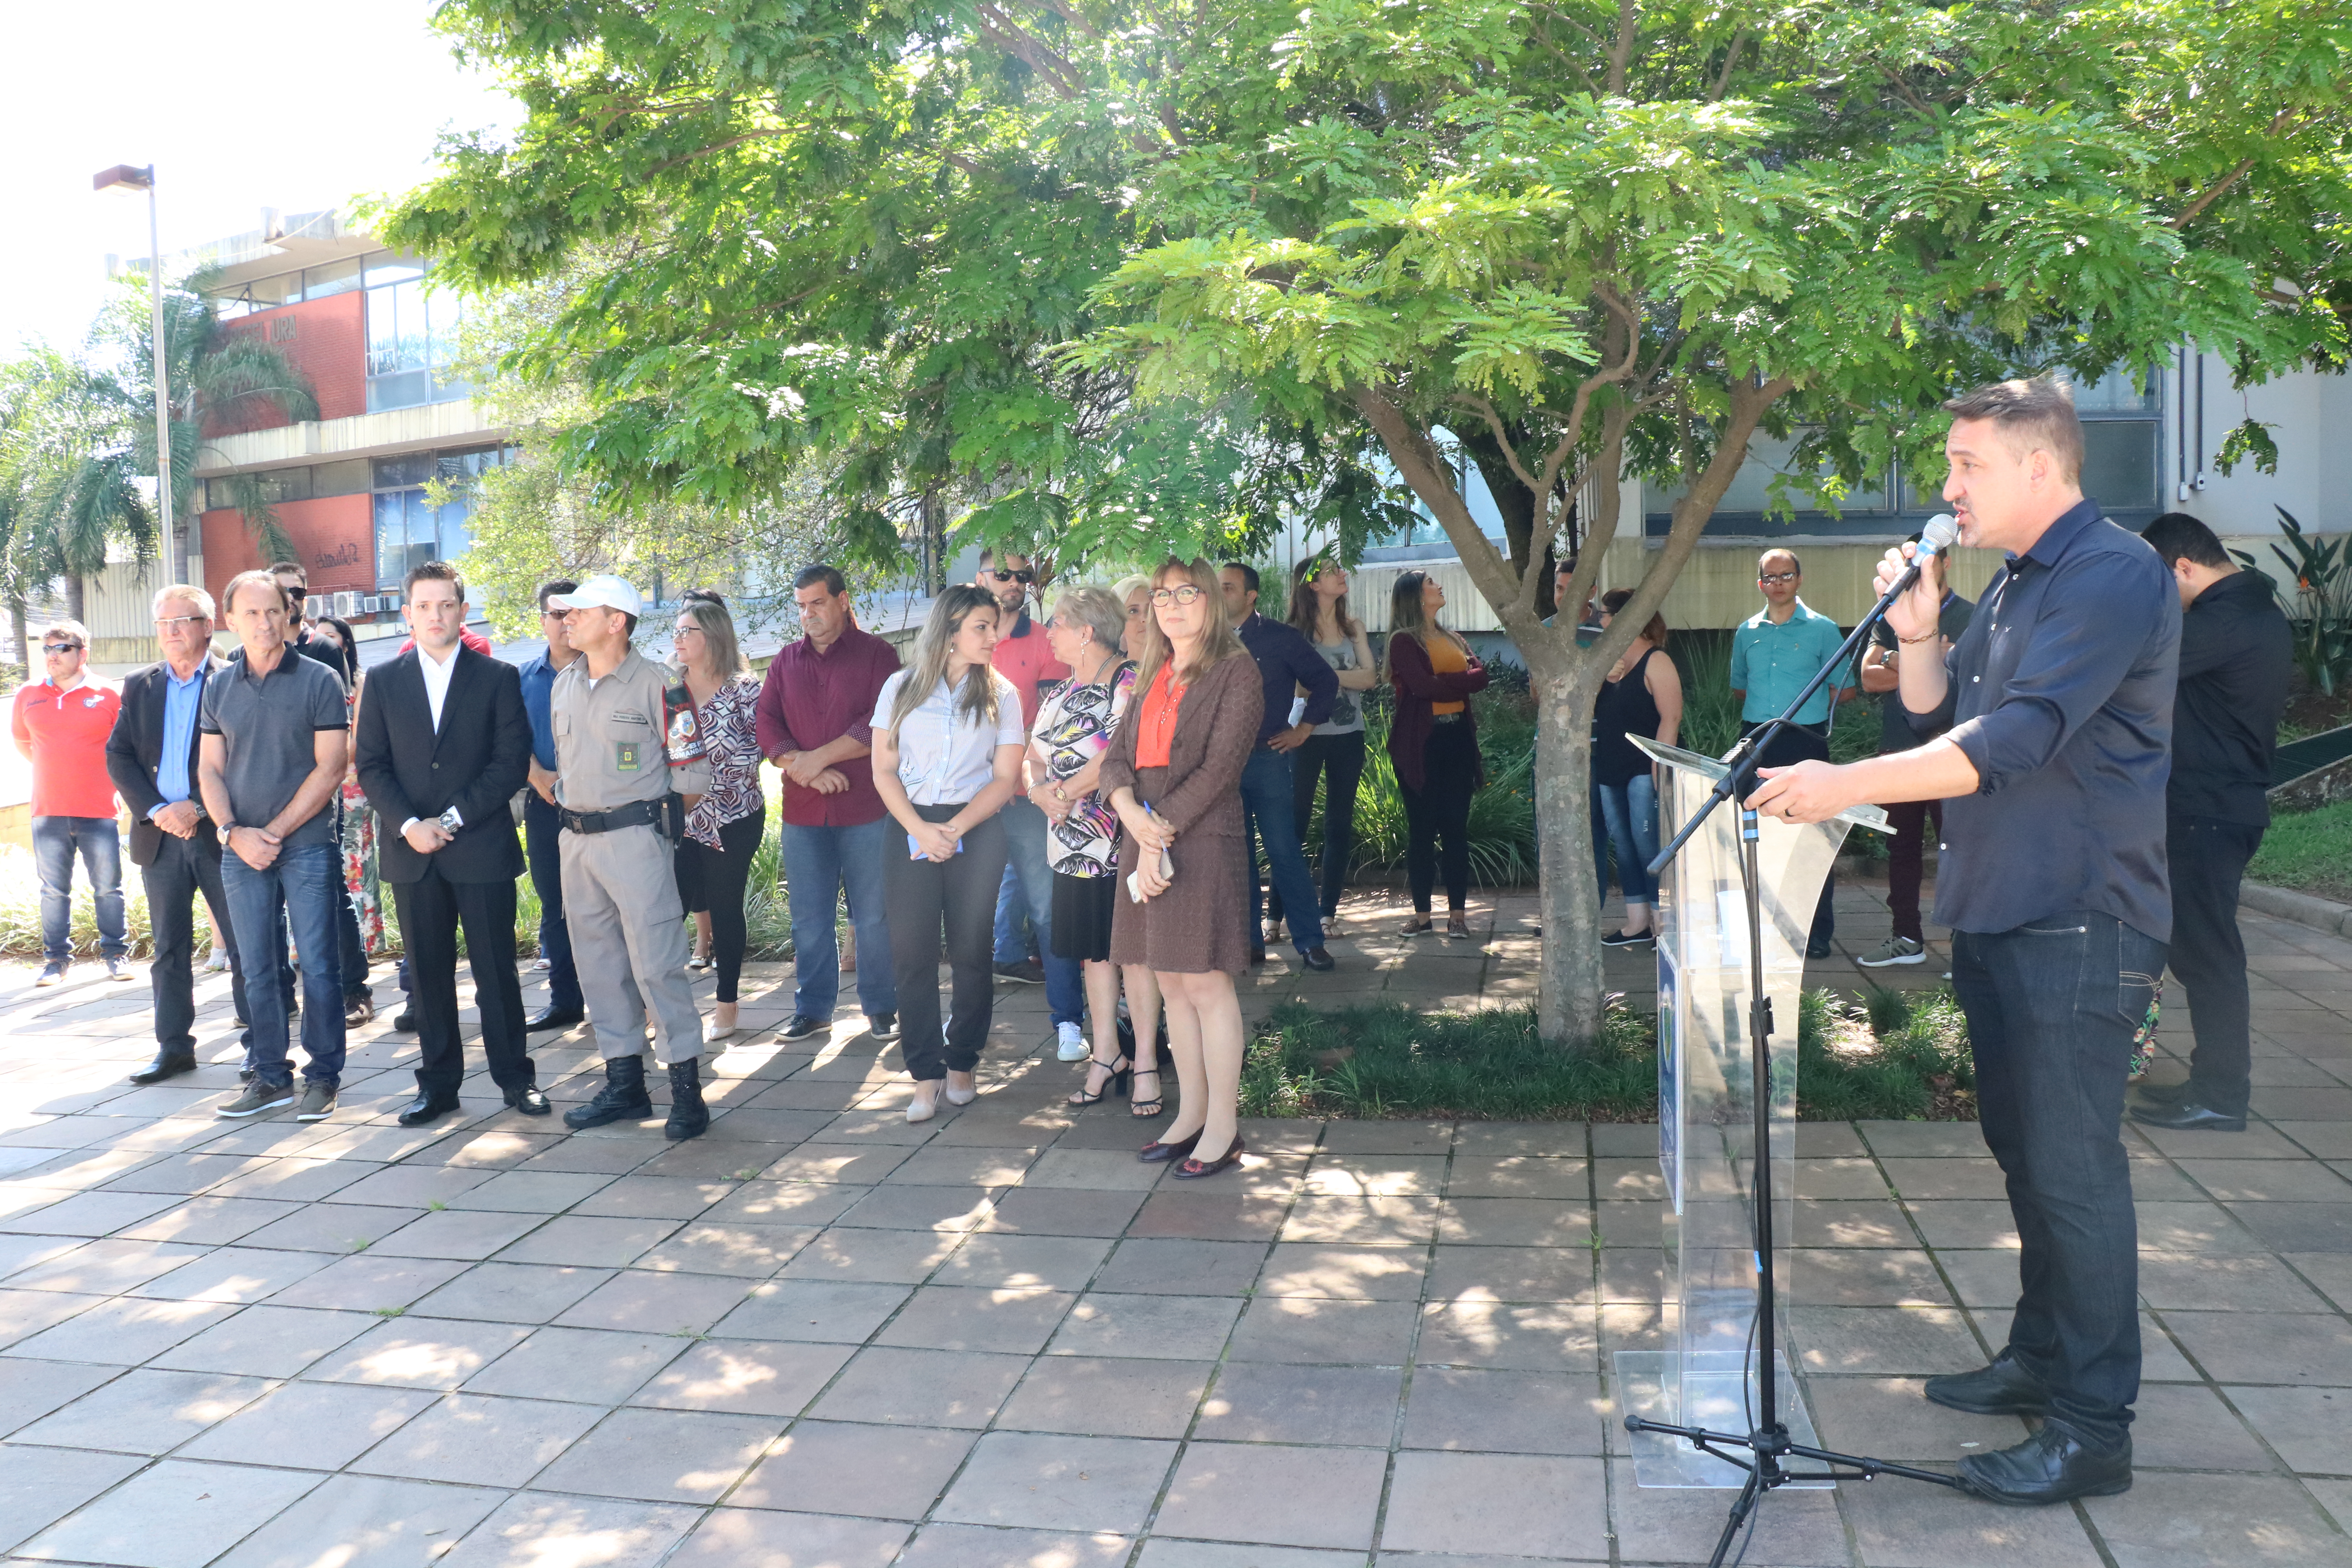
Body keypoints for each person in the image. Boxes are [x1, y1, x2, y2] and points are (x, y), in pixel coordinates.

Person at [1746, 377, 2178, 1505]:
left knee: (2076, 1173)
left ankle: (2094, 1428)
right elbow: (1938, 711)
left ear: (2040, 466)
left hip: (2082, 917)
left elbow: (2015, 743)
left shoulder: (2113, 574)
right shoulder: (2019, 581)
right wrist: (1924, 630)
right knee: (2028, 1157)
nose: (1947, 489)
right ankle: (2041, 1356)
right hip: (2001, 908)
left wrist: (1840, 781)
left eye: (1965, 465)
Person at [354, 562, 547, 1126]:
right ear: (407, 613)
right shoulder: (383, 681)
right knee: (429, 977)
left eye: (446, 605)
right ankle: (438, 1086)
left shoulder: (497, 678)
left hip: (480, 848)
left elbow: (510, 762)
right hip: (412, 853)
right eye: (424, 606)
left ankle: (516, 1080)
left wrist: (454, 818)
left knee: (497, 974)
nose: (435, 616)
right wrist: (411, 824)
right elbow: (371, 765)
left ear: (463, 612)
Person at [2128, 512, 2293, 1133]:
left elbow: (2138, 662)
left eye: (2157, 583)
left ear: (2184, 568)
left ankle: (2222, 1096)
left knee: (2211, 960)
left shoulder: (2230, 620)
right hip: (2209, 808)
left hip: (2210, 812)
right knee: (2201, 957)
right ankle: (2209, 1083)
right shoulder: (2243, 611)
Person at [1100, 557, 1265, 1176]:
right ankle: (1190, 1115)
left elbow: (1220, 772)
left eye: (1185, 594)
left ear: (1211, 603)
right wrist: (1131, 818)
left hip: (1198, 840)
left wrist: (1152, 835)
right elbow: (1114, 759)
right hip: (1145, 832)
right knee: (1169, 983)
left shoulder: (1236, 672)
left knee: (1205, 984)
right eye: (1160, 597)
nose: (1170, 606)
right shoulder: (1152, 671)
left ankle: (1224, 1127)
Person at [547, 573, 715, 1141]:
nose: (567, 620)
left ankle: (687, 1092)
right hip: (577, 843)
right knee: (599, 967)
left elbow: (691, 774)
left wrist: (653, 833)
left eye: (580, 612)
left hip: (636, 840)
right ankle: (626, 1086)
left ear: (616, 621)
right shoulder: (564, 683)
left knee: (657, 965)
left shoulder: (660, 685)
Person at [198, 570, 353, 1122]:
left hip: (306, 844)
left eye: (274, 611)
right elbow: (209, 771)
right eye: (252, 613)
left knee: (317, 963)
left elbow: (331, 767)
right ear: (231, 620)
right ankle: (269, 1076)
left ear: (288, 614)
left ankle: (322, 1077)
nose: (264, 623)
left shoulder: (318, 680)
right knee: (256, 968)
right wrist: (232, 833)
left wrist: (277, 832)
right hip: (240, 849)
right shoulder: (218, 686)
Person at [871, 585, 1024, 1122]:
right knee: (911, 955)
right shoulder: (900, 687)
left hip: (975, 829)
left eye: (995, 626)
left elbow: (1006, 779)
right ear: (951, 629)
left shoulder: (1002, 694)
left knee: (971, 952)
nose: (994, 637)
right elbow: (883, 771)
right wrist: (921, 828)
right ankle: (925, 1076)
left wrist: (953, 829)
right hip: (909, 826)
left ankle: (962, 1062)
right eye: (982, 626)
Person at [105, 587, 254, 1083]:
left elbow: (246, 755)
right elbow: (119, 755)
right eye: (163, 621)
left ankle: (260, 1046)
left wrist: (195, 804)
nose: (171, 630)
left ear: (209, 626)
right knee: (169, 948)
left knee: (244, 945)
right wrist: (156, 810)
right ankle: (174, 1048)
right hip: (160, 837)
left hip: (219, 834)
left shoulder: (235, 679)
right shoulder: (139, 684)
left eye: (183, 620)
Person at [755, 565, 902, 1045]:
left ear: (842, 601)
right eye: (801, 606)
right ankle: (814, 1010)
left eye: (817, 603)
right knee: (809, 917)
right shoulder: (784, 662)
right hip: (804, 811)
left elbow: (881, 721)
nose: (808, 614)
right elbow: (767, 722)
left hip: (866, 807)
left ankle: (882, 1007)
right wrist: (807, 769)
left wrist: (816, 758)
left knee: (875, 914)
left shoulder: (879, 655)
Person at [1030, 586, 1162, 1115]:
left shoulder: (1131, 685)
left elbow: (1111, 760)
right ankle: (1107, 1054)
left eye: (1057, 623)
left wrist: (1058, 794)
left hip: (1121, 846)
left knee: (1135, 956)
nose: (1049, 633)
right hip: (1070, 848)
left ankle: (1147, 1059)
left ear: (1086, 632)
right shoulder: (1058, 694)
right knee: (1094, 954)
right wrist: (1039, 790)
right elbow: (1032, 754)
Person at [976, 550, 1085, 1053]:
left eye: (1024, 575)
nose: (1015, 583)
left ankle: (1068, 1022)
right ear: (981, 579)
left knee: (1045, 910)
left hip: (1022, 799)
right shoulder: (959, 639)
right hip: (966, 801)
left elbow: (1049, 727)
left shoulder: (1044, 641)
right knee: (966, 912)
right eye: (1004, 574)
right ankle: (966, 1021)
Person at [1854, 534, 1975, 968]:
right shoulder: (1892, 614)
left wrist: (1895, 660)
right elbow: (1869, 678)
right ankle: (1906, 937)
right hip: (1899, 750)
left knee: (1958, 849)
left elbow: (1963, 684)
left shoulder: (1971, 616)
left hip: (1952, 755)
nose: (1921, 570)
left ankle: (1968, 948)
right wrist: (1930, 659)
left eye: (1928, 561)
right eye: (1913, 562)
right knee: (1901, 850)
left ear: (1945, 563)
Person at [1729, 548, 1852, 958]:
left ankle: (1816, 934)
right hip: (1757, 740)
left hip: (1805, 741)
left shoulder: (1823, 629)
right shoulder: (1747, 630)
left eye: (1786, 575)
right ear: (1759, 583)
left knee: (1810, 841)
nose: (1777, 583)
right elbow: (1739, 686)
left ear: (1800, 579)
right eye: (1770, 577)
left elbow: (1845, 689)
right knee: (1756, 838)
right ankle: (1763, 930)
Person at [268, 562, 374, 1025]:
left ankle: (355, 991)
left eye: (299, 590)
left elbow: (335, 731)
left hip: (315, 800)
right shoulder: (242, 660)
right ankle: (279, 996)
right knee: (269, 906)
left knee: (332, 897)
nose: (291, 597)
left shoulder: (325, 651)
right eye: (282, 590)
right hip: (263, 805)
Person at [1220, 561, 1339, 971]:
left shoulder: (1280, 638)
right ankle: (1249, 941)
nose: (1219, 594)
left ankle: (1309, 941)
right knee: (1238, 854)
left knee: (1284, 850)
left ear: (1251, 596)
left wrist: (1304, 729)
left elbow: (1326, 681)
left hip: (1268, 758)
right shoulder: (1204, 641)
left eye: (1229, 587)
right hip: (1221, 766)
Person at [671, 595, 767, 1044]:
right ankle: (661, 1007)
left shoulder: (747, 689)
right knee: (671, 909)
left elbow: (758, 750)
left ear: (713, 637)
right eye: (677, 631)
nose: (678, 638)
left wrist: (705, 776)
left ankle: (727, 1004)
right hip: (681, 818)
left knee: (726, 906)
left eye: (687, 631)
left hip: (735, 814)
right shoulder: (670, 690)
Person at [13, 620, 127, 985]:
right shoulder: (28, 694)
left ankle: (116, 955)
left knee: (108, 888)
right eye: (47, 648)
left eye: (61, 648)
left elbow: (124, 748)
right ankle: (56, 962)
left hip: (99, 810)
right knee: (53, 890)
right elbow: (23, 743)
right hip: (47, 810)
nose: (52, 655)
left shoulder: (108, 695)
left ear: (83, 653)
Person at [1270, 558, 1377, 933]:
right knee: (1293, 825)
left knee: (1339, 825)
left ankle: (1328, 913)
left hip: (1349, 736)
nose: (1343, 574)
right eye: (1334, 571)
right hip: (1304, 736)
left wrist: (1323, 675)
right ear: (1313, 585)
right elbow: (1297, 688)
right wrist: (1338, 678)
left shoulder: (1354, 628)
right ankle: (1275, 917)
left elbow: (1370, 678)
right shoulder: (1292, 634)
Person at [1386, 571, 1490, 939]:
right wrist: (1457, 682)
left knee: (1455, 830)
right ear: (1416, 595)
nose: (1439, 585)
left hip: (1458, 738)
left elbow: (1483, 676)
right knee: (1422, 831)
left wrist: (1448, 683)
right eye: (1431, 582)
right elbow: (1422, 685)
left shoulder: (1453, 637)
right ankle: (1423, 917)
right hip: (1420, 745)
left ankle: (1458, 918)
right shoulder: (1403, 641)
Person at [1590, 589, 1682, 947]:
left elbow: (1670, 717)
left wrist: (1661, 767)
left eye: (1606, 614)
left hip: (1645, 769)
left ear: (1627, 618)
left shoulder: (1657, 661)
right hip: (1611, 766)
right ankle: (1638, 923)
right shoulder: (1608, 662)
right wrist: (1603, 678)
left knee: (1649, 848)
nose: (1600, 620)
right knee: (1624, 848)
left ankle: (1665, 924)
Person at [517, 580, 588, 1033]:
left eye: (572, 614)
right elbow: (505, 739)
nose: (564, 623)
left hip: (601, 807)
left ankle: (620, 1000)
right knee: (556, 905)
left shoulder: (605, 672)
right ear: (541, 620)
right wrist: (537, 775)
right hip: (544, 802)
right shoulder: (520, 678)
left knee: (606, 906)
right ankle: (565, 1000)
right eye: (555, 615)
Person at [1113, 575, 1153, 655]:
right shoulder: (1111, 667)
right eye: (1133, 611)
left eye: (1150, 609)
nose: (1145, 619)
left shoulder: (1176, 665)